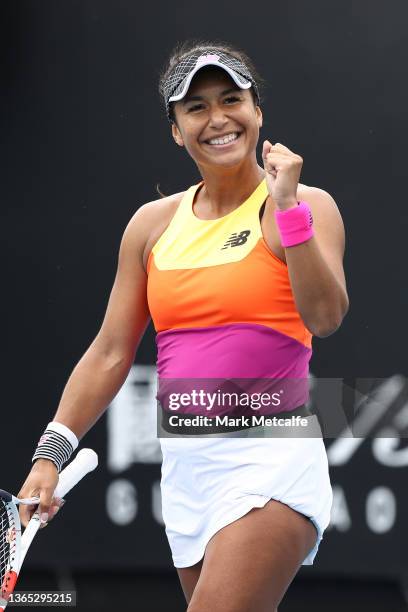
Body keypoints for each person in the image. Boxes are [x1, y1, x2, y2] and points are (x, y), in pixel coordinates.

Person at [18, 40, 349, 611]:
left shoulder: (302, 204)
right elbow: (109, 352)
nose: (218, 119)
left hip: (271, 462)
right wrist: (49, 456)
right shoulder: (151, 226)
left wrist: (289, 207)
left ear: (257, 111)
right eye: (196, 107)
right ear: (176, 129)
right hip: (188, 474)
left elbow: (325, 317)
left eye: (231, 99)